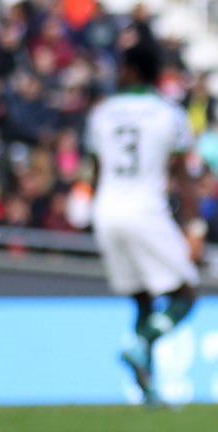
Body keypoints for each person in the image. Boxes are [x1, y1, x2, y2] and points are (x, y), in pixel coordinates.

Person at [83, 36, 199, 406]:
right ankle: (141, 343)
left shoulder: (101, 113)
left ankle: (147, 390)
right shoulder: (168, 114)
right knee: (186, 293)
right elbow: (183, 175)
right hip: (145, 210)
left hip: (106, 210)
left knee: (143, 300)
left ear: (129, 70)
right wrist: (195, 228)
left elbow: (96, 171)